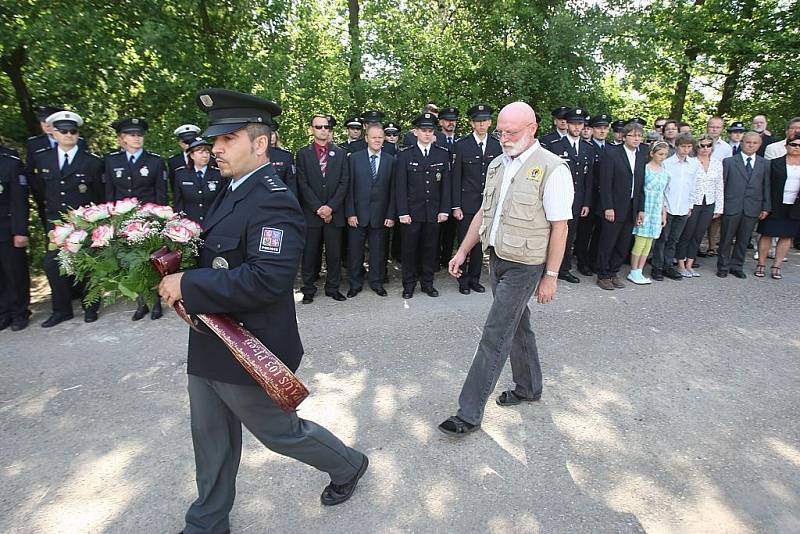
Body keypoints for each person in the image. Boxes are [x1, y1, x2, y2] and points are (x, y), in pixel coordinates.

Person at [157, 89, 368, 533]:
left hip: (250, 347)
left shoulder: (272, 198)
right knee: (209, 437)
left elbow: (265, 280)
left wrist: (188, 284)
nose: (214, 148)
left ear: (260, 143)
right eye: (214, 140)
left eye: (227, 139)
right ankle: (207, 522)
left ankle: (348, 464)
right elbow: (216, 256)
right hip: (210, 337)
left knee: (280, 434)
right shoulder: (232, 188)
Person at [436, 101, 571, 437]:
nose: (505, 137)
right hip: (497, 258)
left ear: (532, 128)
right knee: (517, 325)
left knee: (495, 333)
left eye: (512, 132)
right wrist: (463, 250)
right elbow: (484, 212)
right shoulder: (497, 164)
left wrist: (551, 276)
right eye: (501, 131)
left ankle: (467, 414)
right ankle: (529, 387)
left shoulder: (553, 168)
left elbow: (560, 227)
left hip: (527, 265)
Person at [29, 111, 103, 327]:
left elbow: (99, 194)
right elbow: (40, 190)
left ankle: (91, 307)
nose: (69, 135)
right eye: (64, 131)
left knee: (89, 265)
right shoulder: (43, 159)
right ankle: (62, 310)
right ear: (54, 132)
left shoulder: (91, 162)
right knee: (53, 266)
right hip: (56, 222)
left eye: (73, 131)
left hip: (85, 222)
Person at [104, 117, 169, 320]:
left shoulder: (155, 161)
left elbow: (161, 194)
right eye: (132, 135)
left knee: (151, 260)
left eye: (140, 135)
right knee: (132, 262)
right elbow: (110, 192)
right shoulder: (112, 161)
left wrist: (160, 219)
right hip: (124, 220)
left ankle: (156, 302)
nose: (137, 138)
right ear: (122, 138)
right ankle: (141, 303)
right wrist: (110, 219)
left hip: (148, 219)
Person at [394, 112, 451, 298]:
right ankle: (408, 285)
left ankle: (427, 283)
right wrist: (402, 211)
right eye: (423, 130)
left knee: (430, 249)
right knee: (409, 250)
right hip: (411, 212)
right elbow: (400, 186)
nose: (427, 134)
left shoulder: (442, 155)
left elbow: (446, 186)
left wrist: (444, 209)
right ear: (416, 132)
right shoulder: (405, 155)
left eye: (430, 130)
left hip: (433, 212)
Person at [296, 114, 349, 303]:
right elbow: (302, 184)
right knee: (310, 253)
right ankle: (308, 289)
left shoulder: (341, 153)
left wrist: (330, 208)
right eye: (318, 127)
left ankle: (333, 288)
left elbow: (344, 182)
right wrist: (319, 208)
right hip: (312, 213)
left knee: (334, 253)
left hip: (334, 213)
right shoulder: (302, 154)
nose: (323, 130)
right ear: (311, 129)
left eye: (326, 126)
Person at [451, 104, 502, 294]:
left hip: (489, 203)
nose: (482, 125)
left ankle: (475, 278)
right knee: (466, 240)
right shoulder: (462, 145)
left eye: (485, 121)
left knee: (482, 243)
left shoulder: (497, 145)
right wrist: (456, 206)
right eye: (478, 121)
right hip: (467, 203)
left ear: (490, 122)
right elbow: (456, 177)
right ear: (472, 123)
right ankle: (463, 280)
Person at [345, 123, 396, 297]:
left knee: (378, 252)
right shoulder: (354, 158)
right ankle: (355, 284)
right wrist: (350, 212)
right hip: (357, 215)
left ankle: (377, 282)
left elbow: (393, 190)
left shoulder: (391, 160)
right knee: (355, 252)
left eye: (380, 138)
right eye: (373, 137)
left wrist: (391, 214)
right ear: (366, 138)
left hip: (381, 216)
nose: (377, 140)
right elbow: (349, 188)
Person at [546, 107, 595, 283]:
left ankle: (564, 268)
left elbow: (588, 178)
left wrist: (586, 203)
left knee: (568, 234)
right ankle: (546, 268)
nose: (576, 127)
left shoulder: (588, 148)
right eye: (573, 123)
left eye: (580, 124)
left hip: (577, 200)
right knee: (551, 233)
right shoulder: (555, 146)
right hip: (557, 197)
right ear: (567, 124)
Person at [595, 123, 646, 290]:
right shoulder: (612, 153)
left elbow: (641, 185)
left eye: (639, 136)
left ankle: (613, 272)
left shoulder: (641, 155)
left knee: (623, 243)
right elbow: (605, 182)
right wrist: (608, 207)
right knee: (608, 241)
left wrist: (641, 209)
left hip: (632, 206)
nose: (637, 139)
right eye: (633, 135)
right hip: (615, 206)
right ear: (624, 137)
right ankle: (602, 275)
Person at [717, 131, 771, 278]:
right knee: (726, 238)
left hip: (752, 207)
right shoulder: (729, 162)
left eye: (755, 143)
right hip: (731, 205)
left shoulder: (764, 163)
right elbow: (722, 184)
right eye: (748, 142)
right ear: (742, 143)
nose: (751, 145)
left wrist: (766, 207)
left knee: (743, 239)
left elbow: (766, 186)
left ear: (759, 145)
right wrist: (720, 206)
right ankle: (723, 266)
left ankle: (737, 266)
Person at [676, 133, 724, 277]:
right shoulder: (690, 162)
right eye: (702, 145)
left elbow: (719, 185)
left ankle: (690, 264)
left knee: (698, 235)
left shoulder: (717, 163)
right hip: (692, 203)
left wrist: (719, 207)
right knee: (687, 233)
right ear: (696, 147)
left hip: (709, 202)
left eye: (708, 145)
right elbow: (686, 185)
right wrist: (687, 205)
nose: (705, 148)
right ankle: (680, 264)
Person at [754, 132, 800, 279]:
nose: (796, 148)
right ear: (786, 146)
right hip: (774, 204)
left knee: (787, 236)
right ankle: (761, 264)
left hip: (794, 205)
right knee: (767, 233)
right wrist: (764, 206)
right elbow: (765, 186)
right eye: (793, 144)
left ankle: (776, 266)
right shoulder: (774, 163)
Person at [628, 142, 670, 284]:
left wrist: (663, 213)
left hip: (657, 208)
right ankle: (633, 270)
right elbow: (640, 190)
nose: (663, 157)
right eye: (660, 154)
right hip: (645, 207)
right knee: (640, 240)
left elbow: (663, 193)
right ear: (652, 154)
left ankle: (640, 270)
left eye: (665, 154)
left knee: (649, 242)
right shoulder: (645, 169)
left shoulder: (664, 171)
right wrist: (640, 210)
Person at [0, 150, 30, 331]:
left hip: (6, 229)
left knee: (14, 273)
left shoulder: (10, 163)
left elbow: (19, 201)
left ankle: (19, 312)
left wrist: (20, 231)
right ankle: (3, 313)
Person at [173, 137, 227, 226]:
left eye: (207, 152)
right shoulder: (181, 174)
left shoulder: (218, 174)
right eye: (201, 152)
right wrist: (180, 222)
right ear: (192, 155)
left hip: (212, 222)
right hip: (189, 224)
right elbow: (178, 202)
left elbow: (222, 201)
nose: (205, 155)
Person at [267, 122, 297, 197]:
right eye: (268, 133)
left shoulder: (286, 156)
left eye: (272, 133)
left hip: (281, 198)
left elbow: (292, 184)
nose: (271, 136)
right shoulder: (255, 156)